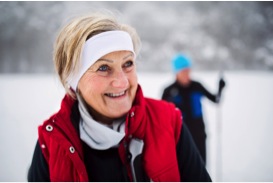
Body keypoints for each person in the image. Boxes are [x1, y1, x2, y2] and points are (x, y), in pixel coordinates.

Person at [27, 12, 212, 182]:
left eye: (128, 63)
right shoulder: (53, 141)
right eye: (103, 68)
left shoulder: (167, 121)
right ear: (73, 80)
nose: (122, 82)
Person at [162, 54, 226, 165]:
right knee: (184, 170)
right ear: (176, 72)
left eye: (188, 70)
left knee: (201, 166)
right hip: (180, 138)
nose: (187, 74)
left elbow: (216, 100)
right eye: (183, 71)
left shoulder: (197, 86)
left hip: (199, 134)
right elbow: (162, 115)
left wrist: (221, 88)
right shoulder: (169, 91)